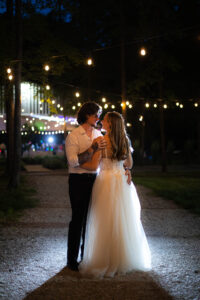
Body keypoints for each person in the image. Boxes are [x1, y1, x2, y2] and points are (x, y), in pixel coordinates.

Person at [79, 111, 151, 277]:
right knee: (123, 219)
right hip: (121, 181)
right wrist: (125, 169)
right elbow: (129, 164)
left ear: (110, 124)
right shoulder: (124, 140)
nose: (101, 121)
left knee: (104, 220)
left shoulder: (101, 141)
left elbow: (93, 165)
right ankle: (124, 257)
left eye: (104, 120)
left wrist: (77, 163)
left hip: (105, 181)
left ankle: (106, 258)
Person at [65, 103, 132, 272]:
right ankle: (72, 260)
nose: (99, 119)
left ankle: (86, 256)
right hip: (78, 180)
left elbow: (112, 158)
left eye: (101, 116)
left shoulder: (99, 134)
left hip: (96, 181)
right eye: (96, 115)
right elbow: (73, 161)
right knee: (78, 219)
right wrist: (93, 148)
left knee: (93, 220)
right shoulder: (73, 136)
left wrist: (125, 170)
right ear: (87, 115)